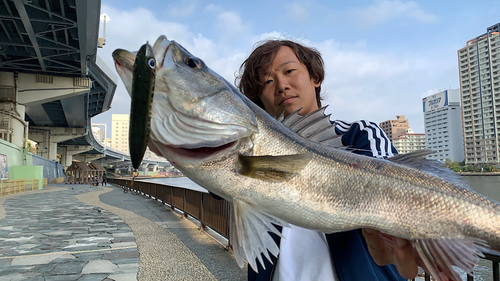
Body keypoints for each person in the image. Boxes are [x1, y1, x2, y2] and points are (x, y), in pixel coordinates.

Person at [237, 39, 418, 281]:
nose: (281, 85)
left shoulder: (359, 135)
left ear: (315, 77)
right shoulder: (252, 150)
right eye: (267, 81)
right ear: (259, 99)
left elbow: (398, 189)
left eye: (289, 71)